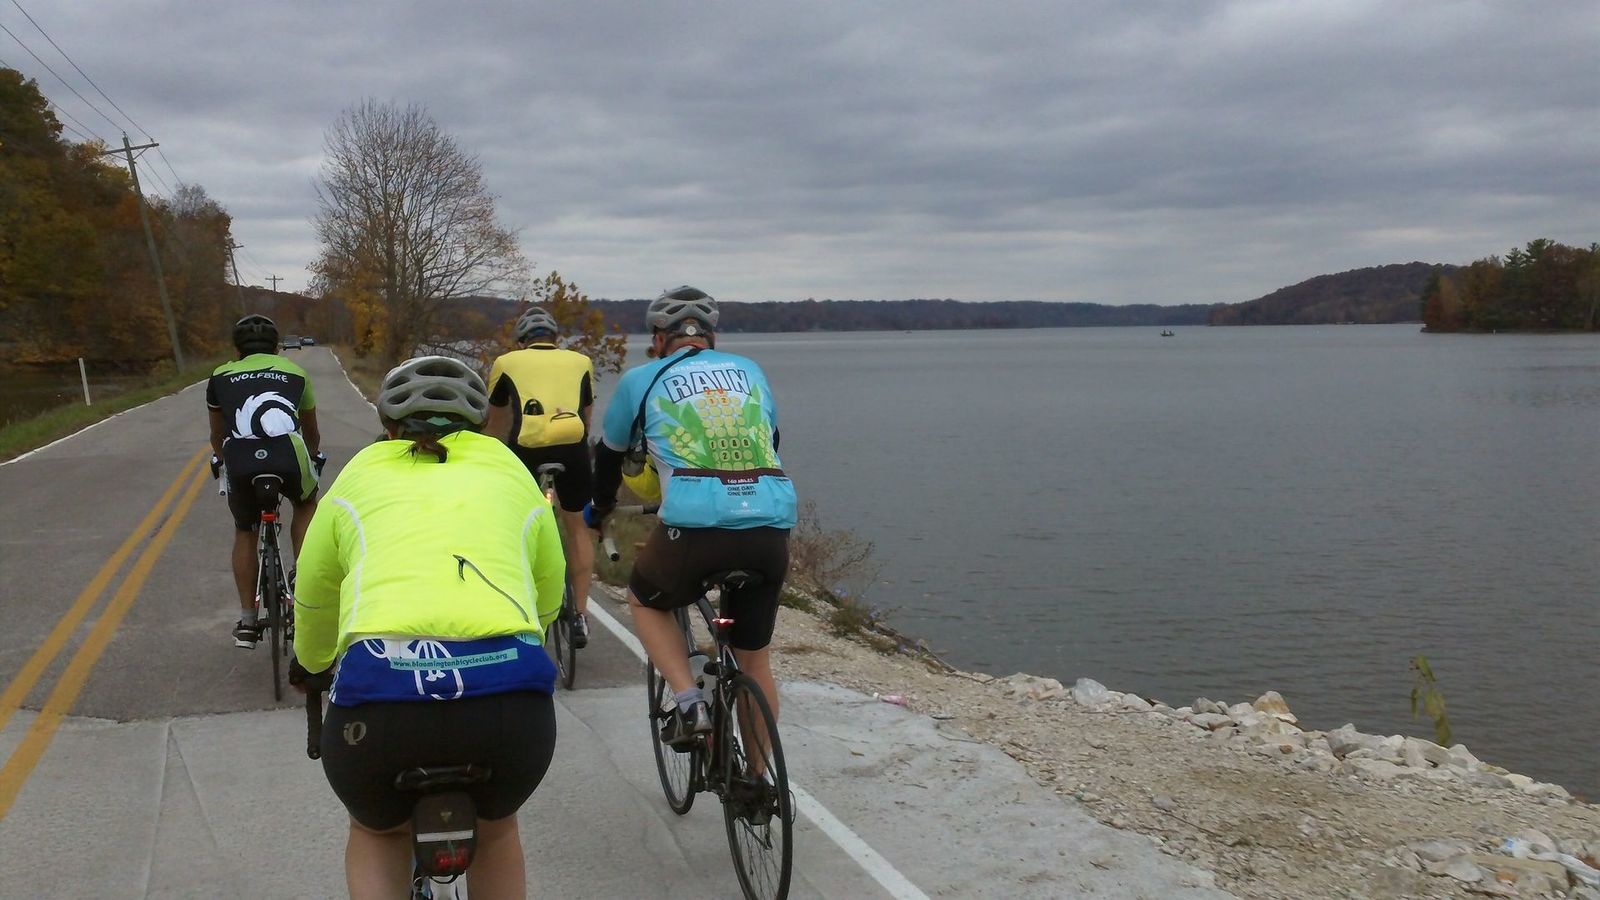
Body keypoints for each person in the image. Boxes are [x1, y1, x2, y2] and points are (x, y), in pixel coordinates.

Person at [291, 355, 565, 900]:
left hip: (381, 712)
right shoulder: (511, 471)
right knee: (497, 831)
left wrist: (314, 663)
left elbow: (316, 591)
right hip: (509, 709)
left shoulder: (359, 474)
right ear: (481, 425)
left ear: (389, 427)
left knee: (377, 832)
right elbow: (548, 588)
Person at [588, 286, 797, 746]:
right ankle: (758, 777)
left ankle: (688, 703)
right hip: (770, 523)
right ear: (711, 337)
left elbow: (609, 456)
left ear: (658, 339)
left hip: (696, 525)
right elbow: (770, 440)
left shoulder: (641, 379)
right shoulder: (750, 370)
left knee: (645, 600)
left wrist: (599, 509)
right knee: (754, 660)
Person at [484, 307, 599, 647]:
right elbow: (587, 418)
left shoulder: (506, 362)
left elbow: (495, 424)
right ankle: (580, 614)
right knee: (577, 527)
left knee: (516, 524)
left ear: (522, 342)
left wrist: (489, 457)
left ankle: (520, 602)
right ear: (555, 339)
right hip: (573, 449)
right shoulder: (581, 361)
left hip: (527, 449)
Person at [207, 314, 322, 649]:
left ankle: (247, 620)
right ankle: (303, 575)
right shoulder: (296, 372)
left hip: (240, 457)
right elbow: (311, 432)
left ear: (236, 349)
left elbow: (217, 434)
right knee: (306, 503)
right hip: (288, 454)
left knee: (245, 530)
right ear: (277, 348)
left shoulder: (219, 376)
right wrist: (312, 457)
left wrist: (221, 459)